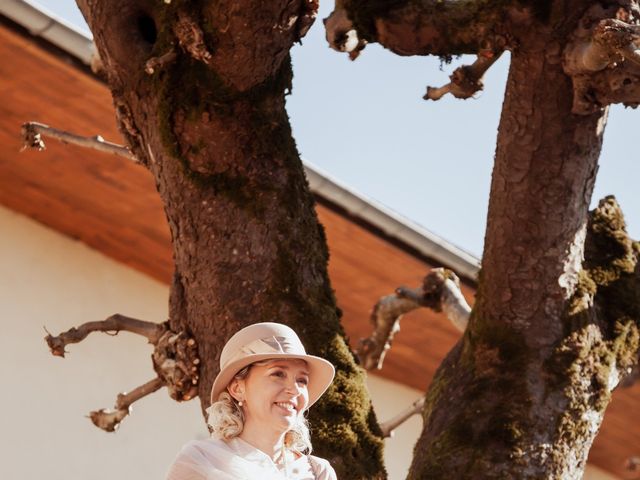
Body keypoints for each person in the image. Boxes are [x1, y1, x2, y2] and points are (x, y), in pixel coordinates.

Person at [165, 322, 337, 480]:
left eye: (302, 380)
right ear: (237, 389)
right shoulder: (201, 460)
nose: (294, 389)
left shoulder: (319, 472)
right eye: (278, 374)